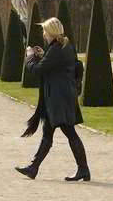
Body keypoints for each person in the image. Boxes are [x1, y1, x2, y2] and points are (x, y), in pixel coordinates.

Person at [16, 17, 90, 182]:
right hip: (61, 98)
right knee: (49, 134)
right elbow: (55, 65)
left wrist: (29, 56)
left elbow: (37, 70)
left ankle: (83, 169)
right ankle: (33, 168)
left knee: (69, 133)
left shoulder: (57, 49)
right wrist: (43, 54)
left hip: (58, 100)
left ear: (50, 33)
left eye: (44, 31)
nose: (43, 34)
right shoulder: (65, 45)